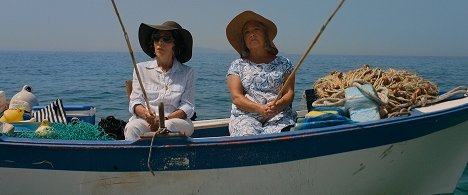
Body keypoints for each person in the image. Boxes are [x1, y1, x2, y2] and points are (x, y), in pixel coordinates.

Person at [225, 10, 296, 136]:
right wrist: (259, 108)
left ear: (265, 35)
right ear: (244, 41)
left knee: (278, 136)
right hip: (245, 116)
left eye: (256, 30)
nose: (251, 34)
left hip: (278, 114)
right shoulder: (237, 65)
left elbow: (289, 93)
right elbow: (236, 97)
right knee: (247, 135)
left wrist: (278, 106)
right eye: (247, 32)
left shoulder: (284, 63)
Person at [124, 21, 195, 141]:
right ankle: (136, 159)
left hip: (175, 121)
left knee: (167, 127)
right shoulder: (140, 69)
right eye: (156, 38)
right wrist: (146, 114)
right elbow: (135, 102)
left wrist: (165, 119)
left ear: (175, 44)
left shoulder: (188, 73)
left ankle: (165, 159)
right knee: (131, 128)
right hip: (145, 121)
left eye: (166, 38)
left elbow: (188, 106)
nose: (160, 43)